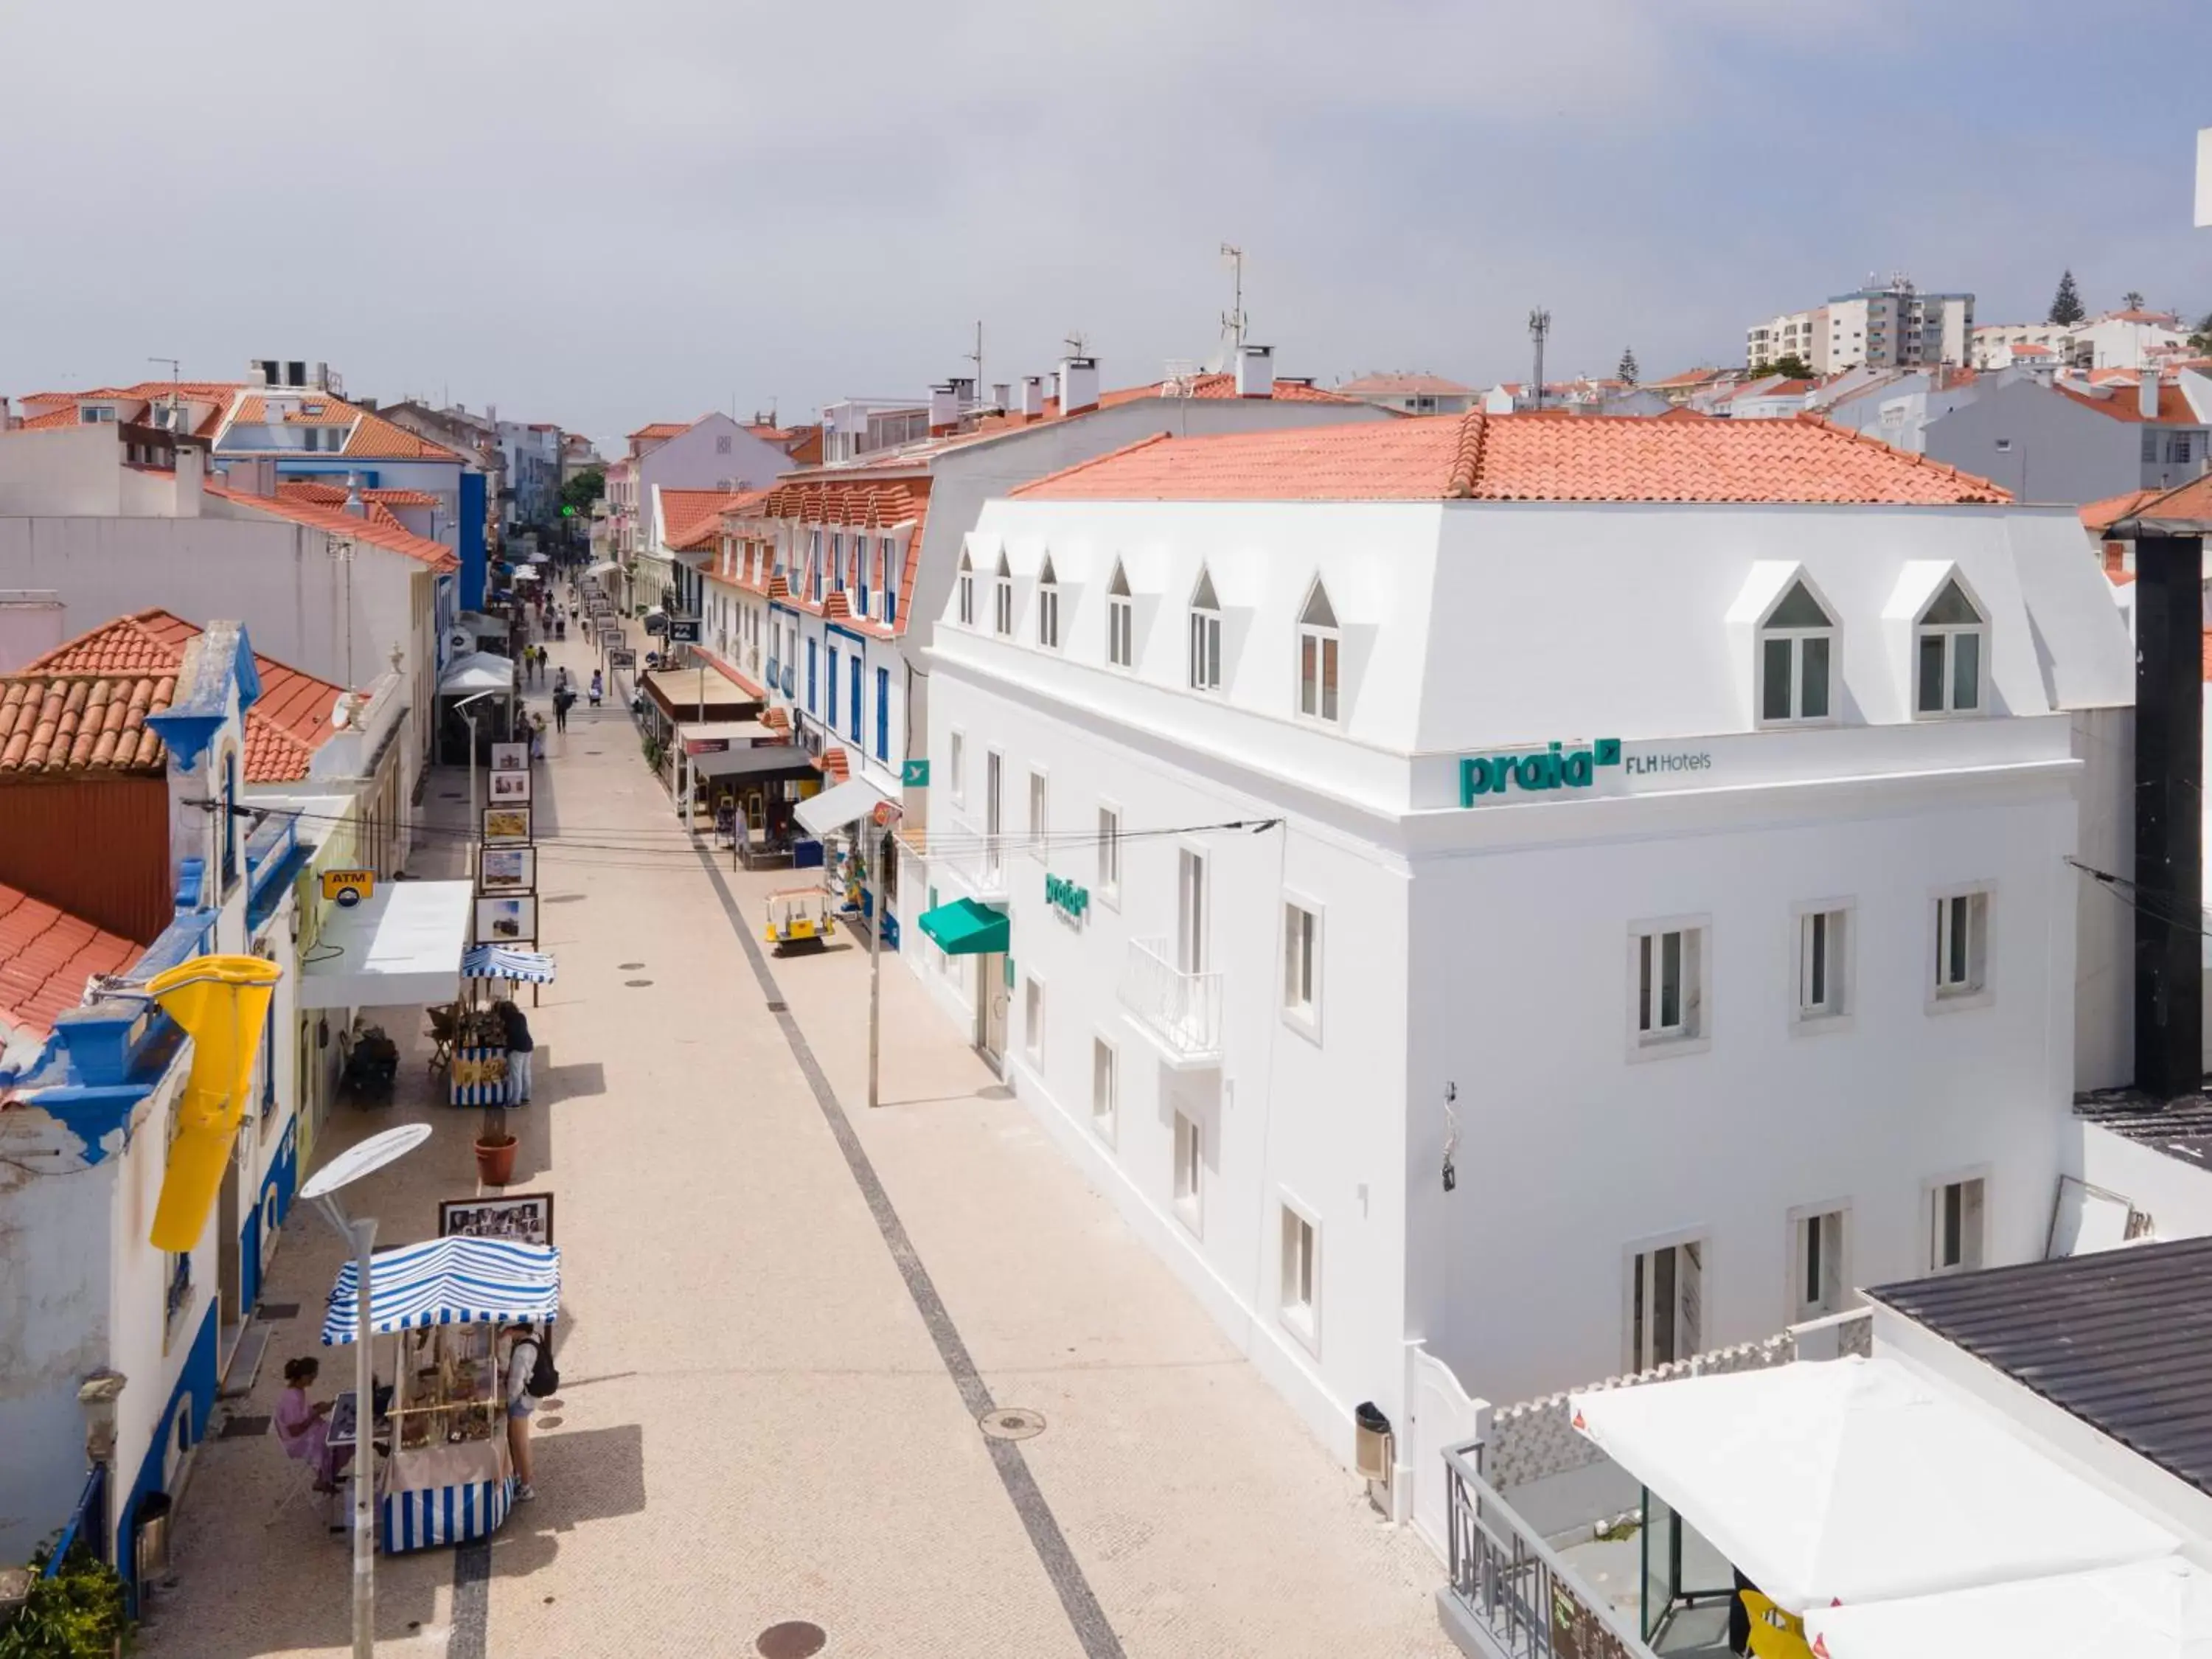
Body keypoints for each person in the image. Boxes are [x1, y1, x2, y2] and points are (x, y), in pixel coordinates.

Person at [274, 1356, 344, 1493]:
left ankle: (328, 1474)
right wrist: (317, 1413)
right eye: (311, 1377)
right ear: (303, 1376)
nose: (313, 1381)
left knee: (337, 1434)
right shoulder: (291, 1399)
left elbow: (302, 1413)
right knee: (336, 1440)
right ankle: (323, 1479)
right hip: (298, 1440)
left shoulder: (298, 1391)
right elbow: (295, 1430)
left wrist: (316, 1408)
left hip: (306, 1431)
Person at [500, 1324, 543, 1501]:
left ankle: (525, 1486)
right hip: (527, 1399)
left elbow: (516, 1385)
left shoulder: (522, 1351)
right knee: (519, 1443)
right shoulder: (534, 1337)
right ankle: (519, 1476)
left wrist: (505, 1404)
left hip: (521, 1402)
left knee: (520, 1444)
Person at [497, 998, 534, 1103]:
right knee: (526, 1073)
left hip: (516, 1049)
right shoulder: (522, 1017)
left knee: (516, 1076)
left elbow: (505, 1036)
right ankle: (526, 1097)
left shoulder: (508, 1022)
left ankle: (515, 1101)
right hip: (528, 1046)